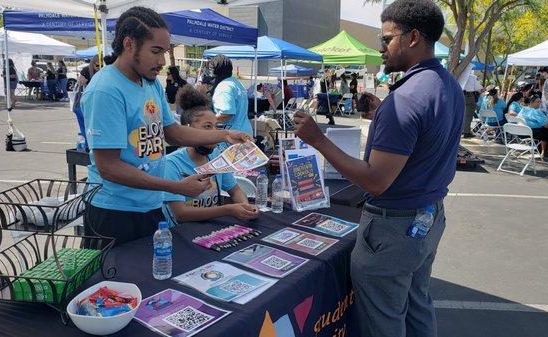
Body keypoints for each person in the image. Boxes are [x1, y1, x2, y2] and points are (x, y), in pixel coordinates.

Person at [293, 1, 461, 336]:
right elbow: (424, 136)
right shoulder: (445, 84)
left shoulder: (407, 98)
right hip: (427, 218)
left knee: (382, 322)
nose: (380, 47)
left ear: (412, 37)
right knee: (417, 306)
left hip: (394, 228)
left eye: (386, 39)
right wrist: (386, 114)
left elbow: (375, 181)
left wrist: (317, 139)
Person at [81, 7, 250, 246]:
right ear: (129, 44)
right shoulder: (106, 90)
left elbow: (172, 132)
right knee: (117, 281)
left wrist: (225, 134)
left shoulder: (150, 84)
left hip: (149, 205)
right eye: (155, 51)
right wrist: (175, 186)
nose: (162, 61)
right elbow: (108, 167)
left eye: (165, 52)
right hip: (114, 211)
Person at [163, 86, 259, 225]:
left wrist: (246, 207)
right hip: (182, 234)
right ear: (187, 129)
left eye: (216, 127)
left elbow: (235, 190)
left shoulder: (216, 155)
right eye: (207, 127)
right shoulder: (171, 164)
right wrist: (228, 210)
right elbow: (181, 214)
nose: (213, 133)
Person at [210, 55, 253, 136]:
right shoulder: (236, 83)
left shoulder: (224, 86)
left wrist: (208, 120)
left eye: (211, 68)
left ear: (216, 70)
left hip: (233, 134)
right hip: (245, 130)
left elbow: (226, 113)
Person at [518, 95, 548, 161]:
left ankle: (543, 153)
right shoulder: (536, 111)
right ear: (531, 102)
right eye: (538, 102)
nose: (540, 103)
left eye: (540, 101)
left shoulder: (523, 109)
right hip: (533, 132)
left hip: (521, 132)